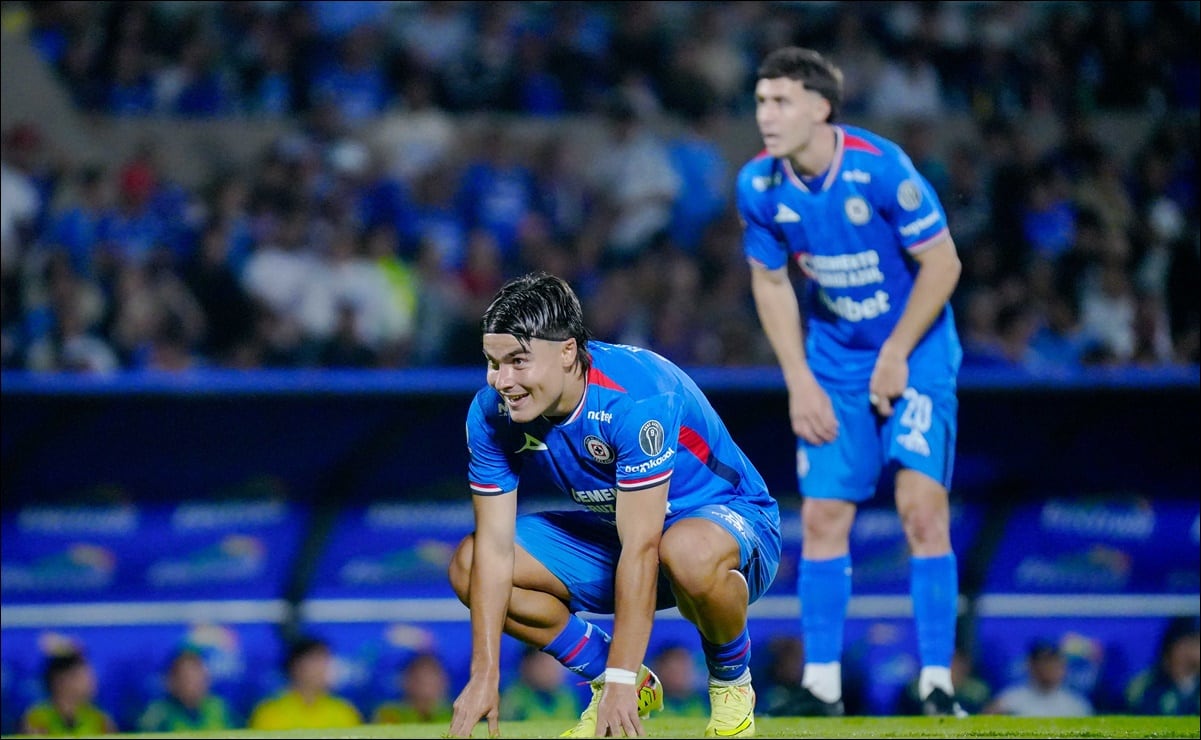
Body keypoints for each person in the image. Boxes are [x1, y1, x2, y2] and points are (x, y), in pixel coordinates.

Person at [446, 272, 782, 738]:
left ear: (567, 352)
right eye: (492, 362)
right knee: (470, 564)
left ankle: (731, 681)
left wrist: (622, 676)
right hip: (624, 532)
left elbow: (643, 547)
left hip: (733, 523)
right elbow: (495, 552)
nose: (502, 381)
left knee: (684, 551)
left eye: (518, 362)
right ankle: (615, 677)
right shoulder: (489, 414)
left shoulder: (636, 397)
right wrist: (485, 673)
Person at [735, 47, 966, 717]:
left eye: (779, 102)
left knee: (921, 508)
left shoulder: (881, 169)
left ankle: (934, 684)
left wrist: (895, 352)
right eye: (759, 102)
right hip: (833, 362)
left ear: (819, 107)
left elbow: (943, 263)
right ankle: (823, 688)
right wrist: (797, 380)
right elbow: (770, 280)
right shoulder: (757, 186)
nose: (765, 116)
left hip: (915, 353)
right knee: (821, 514)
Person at [247, 636, 362, 731]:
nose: (324, 668)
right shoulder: (270, 712)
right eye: (316, 661)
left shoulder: (344, 711)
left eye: (326, 661)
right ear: (296, 667)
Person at [983, 639, 1093, 717]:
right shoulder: (1008, 701)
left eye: (1053, 662)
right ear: (1031, 665)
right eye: (1043, 662)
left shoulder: (1077, 706)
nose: (1049, 668)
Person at [19, 650, 118, 736]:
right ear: (60, 680)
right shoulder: (36, 720)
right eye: (83, 676)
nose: (92, 682)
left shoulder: (100, 720)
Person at [137, 647, 236, 732]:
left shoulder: (220, 709)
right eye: (187, 678)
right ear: (172, 682)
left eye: (199, 677)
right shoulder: (157, 715)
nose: (195, 684)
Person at [1124, 616, 1200, 716]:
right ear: (1170, 648)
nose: (1190, 652)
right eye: (1185, 644)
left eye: (1195, 644)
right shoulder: (1144, 686)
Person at [499, 647, 581, 722]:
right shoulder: (514, 700)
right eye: (544, 664)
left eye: (554, 663)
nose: (551, 670)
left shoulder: (567, 696)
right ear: (527, 665)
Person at [373, 652, 454, 724]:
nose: (426, 684)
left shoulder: (455, 713)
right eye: (419, 679)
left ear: (444, 681)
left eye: (432, 678)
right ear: (406, 681)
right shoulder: (389, 714)